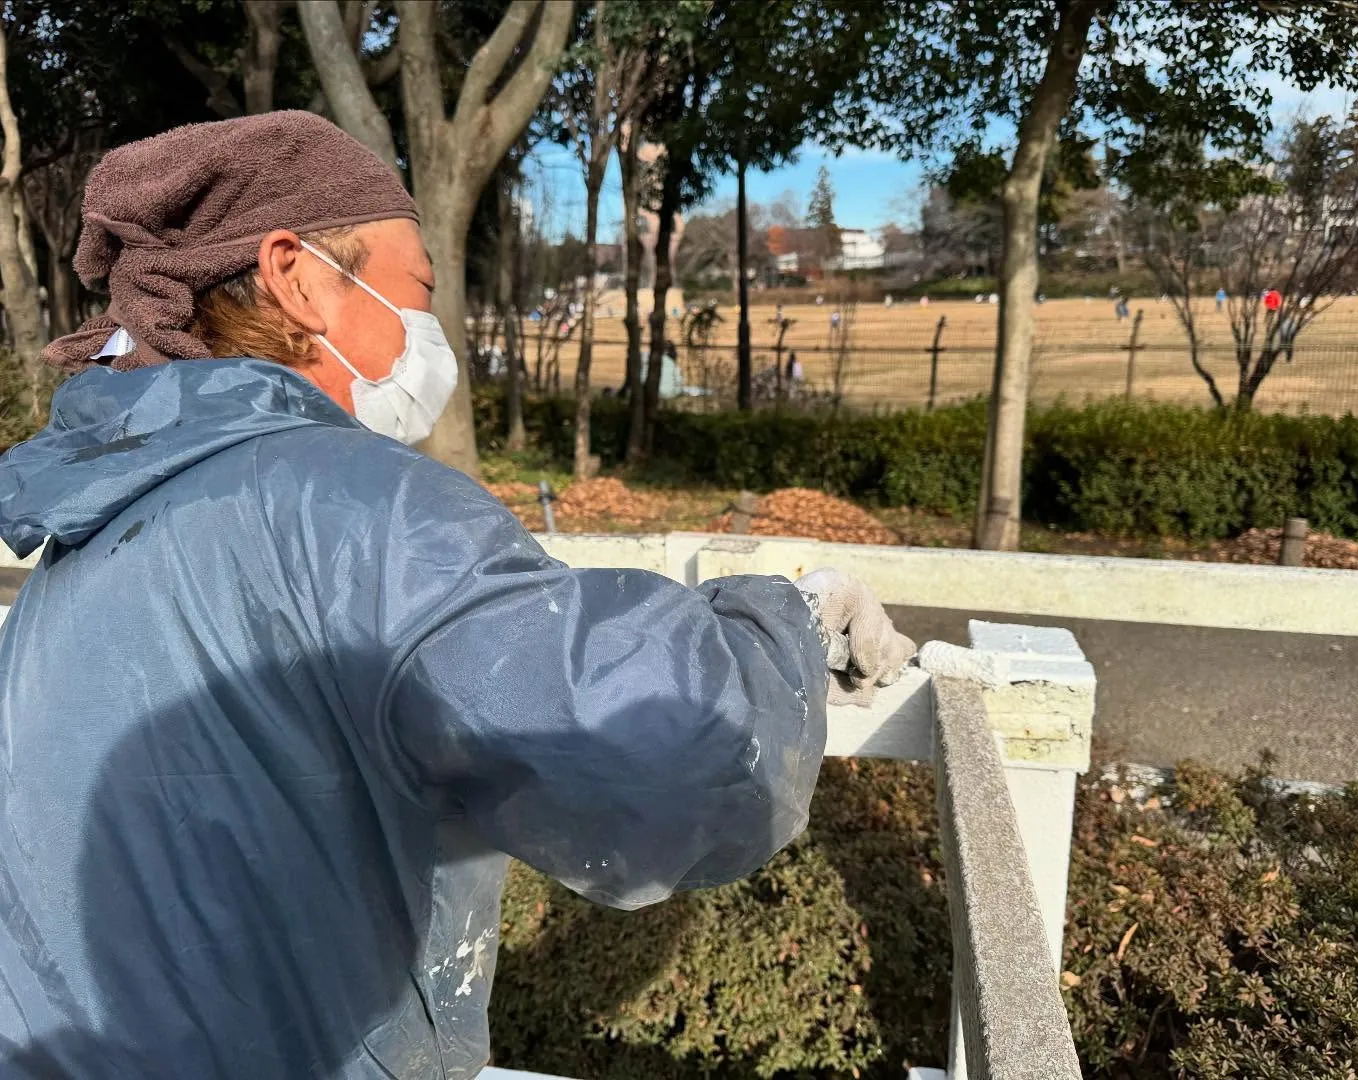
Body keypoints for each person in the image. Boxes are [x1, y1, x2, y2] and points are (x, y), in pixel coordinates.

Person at [0, 113, 915, 1080]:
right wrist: (790, 623)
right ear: (297, 273)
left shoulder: (93, 527)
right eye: (419, 288)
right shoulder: (354, 506)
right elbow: (663, 751)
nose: (430, 331)